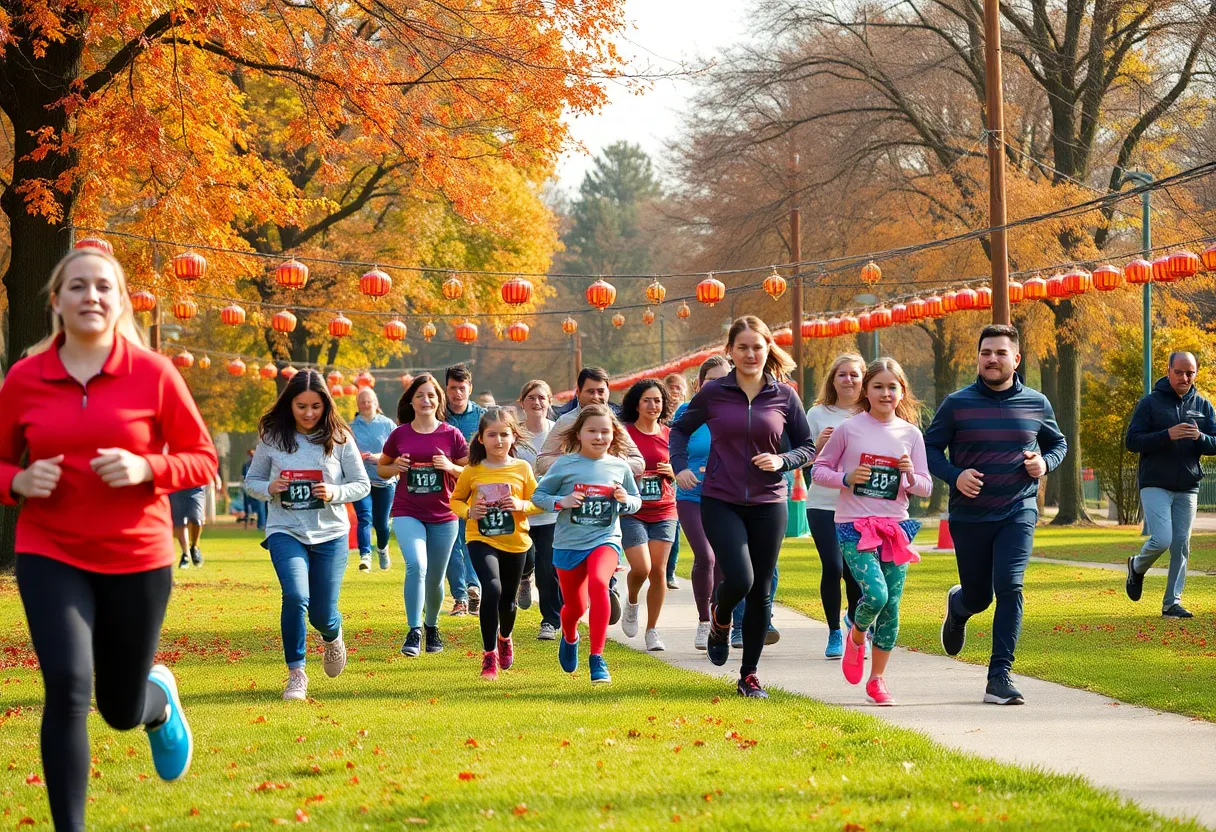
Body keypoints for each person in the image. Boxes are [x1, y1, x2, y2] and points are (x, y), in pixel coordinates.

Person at [0, 248, 216, 830]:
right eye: (77, 286)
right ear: (56, 301)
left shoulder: (153, 373)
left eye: (103, 287)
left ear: (120, 302)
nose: (90, 296)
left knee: (118, 710)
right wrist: (17, 479)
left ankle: (157, 703)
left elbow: (202, 460)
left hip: (137, 555)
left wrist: (149, 469)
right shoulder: (25, 377)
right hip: (51, 551)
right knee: (68, 686)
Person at [671, 316, 815, 699]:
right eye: (743, 347)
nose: (751, 354)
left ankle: (748, 675)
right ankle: (720, 619)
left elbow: (807, 446)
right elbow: (680, 429)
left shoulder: (785, 395)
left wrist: (781, 462)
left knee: (762, 591)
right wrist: (681, 466)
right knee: (741, 578)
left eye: (758, 346)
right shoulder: (715, 392)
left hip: (770, 502)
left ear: (769, 349)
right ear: (730, 351)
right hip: (720, 498)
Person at [926, 324, 1067, 706]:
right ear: (978, 357)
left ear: (1016, 359)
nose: (992, 359)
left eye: (1001, 353)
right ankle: (959, 607)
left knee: (1010, 586)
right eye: (986, 352)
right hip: (969, 516)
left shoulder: (1037, 402)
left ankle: (999, 676)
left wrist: (1045, 462)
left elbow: (1057, 442)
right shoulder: (957, 403)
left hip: (1018, 510)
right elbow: (930, 448)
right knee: (980, 596)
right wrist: (956, 476)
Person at [812, 358, 932, 705]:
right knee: (876, 595)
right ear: (866, 390)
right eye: (878, 386)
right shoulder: (850, 429)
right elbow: (820, 470)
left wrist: (910, 476)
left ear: (902, 392)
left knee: (892, 607)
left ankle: (877, 680)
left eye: (892, 386)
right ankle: (856, 634)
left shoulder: (910, 434)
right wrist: (846, 478)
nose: (885, 392)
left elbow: (924, 487)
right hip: (854, 526)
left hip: (895, 527)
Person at [245, 370, 370, 701]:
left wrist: (333, 492)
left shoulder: (340, 438)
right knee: (296, 597)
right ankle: (297, 674)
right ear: (290, 404)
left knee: (322, 614)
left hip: (330, 534)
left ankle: (333, 636)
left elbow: (362, 484)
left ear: (326, 405)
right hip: (285, 530)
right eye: (302, 406)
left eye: (316, 406)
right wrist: (269, 487)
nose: (309, 413)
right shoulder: (272, 438)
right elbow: (251, 480)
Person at [532, 404, 642, 685]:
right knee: (575, 608)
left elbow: (635, 500)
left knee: (598, 584)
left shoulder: (619, 465)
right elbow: (539, 495)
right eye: (592, 430)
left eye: (605, 431)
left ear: (614, 435)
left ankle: (597, 657)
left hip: (605, 539)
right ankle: (570, 637)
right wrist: (561, 502)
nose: (599, 437)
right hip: (568, 544)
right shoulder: (565, 464)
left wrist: (624, 500)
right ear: (579, 433)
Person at [536, 367, 645, 625]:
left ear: (608, 393)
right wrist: (572, 464)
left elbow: (638, 462)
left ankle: (608, 588)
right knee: (573, 584)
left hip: (607, 510)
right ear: (578, 393)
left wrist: (609, 465)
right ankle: (571, 612)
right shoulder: (566, 423)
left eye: (601, 391)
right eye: (590, 391)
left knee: (603, 558)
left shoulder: (613, 424)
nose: (596, 397)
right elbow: (541, 462)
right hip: (573, 512)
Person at [379, 374, 469, 656]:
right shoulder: (400, 434)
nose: (426, 400)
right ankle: (414, 630)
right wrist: (396, 467)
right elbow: (382, 469)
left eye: (431, 395)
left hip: (444, 514)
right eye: (420, 395)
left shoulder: (451, 435)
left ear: (439, 400)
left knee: (435, 577)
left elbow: (470, 473)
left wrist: (450, 467)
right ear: (411, 401)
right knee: (416, 565)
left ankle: (432, 627)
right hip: (408, 510)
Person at [451, 408, 542, 679]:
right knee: (491, 589)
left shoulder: (522, 468)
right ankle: (489, 655)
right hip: (481, 538)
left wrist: (521, 504)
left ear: (514, 437)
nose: (499, 440)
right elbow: (455, 500)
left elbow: (539, 502)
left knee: (508, 601)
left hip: (515, 541)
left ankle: (505, 637)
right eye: (492, 435)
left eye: (504, 434)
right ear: (481, 438)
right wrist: (469, 511)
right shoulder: (472, 470)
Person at [1124, 351, 1216, 618]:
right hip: (1155, 483)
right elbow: (1133, 441)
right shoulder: (1150, 404)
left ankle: (1171, 602)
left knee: (1181, 544)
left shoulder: (1203, 406)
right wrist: (1167, 435)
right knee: (1162, 538)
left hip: (1188, 485)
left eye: (1190, 373)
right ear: (1168, 371)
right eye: (1179, 372)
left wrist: (1200, 437)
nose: (1185, 378)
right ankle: (1137, 567)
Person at [806, 353, 866, 658]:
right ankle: (832, 632)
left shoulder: (870, 414)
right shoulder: (817, 414)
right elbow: (801, 458)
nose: (848, 380)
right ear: (833, 379)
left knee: (854, 572)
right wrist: (817, 447)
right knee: (832, 566)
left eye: (854, 375)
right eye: (842, 375)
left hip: (859, 505)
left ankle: (855, 629)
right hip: (822, 503)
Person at [674, 355, 732, 649]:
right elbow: (676, 442)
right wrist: (679, 469)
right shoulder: (688, 410)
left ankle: (718, 615)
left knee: (723, 559)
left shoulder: (736, 412)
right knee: (706, 557)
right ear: (700, 383)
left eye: (724, 379)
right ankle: (703, 622)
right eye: (712, 380)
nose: (718, 385)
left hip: (724, 495)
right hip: (691, 495)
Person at [619, 379, 678, 651]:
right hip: (633, 509)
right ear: (637, 403)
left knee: (658, 571)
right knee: (641, 568)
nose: (653, 406)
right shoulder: (625, 434)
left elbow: (682, 466)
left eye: (657, 400)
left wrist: (673, 473)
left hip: (665, 509)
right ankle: (631, 601)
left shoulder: (670, 434)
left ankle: (652, 630)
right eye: (647, 400)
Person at [515, 379, 563, 639]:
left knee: (548, 569)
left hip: (549, 512)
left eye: (541, 398)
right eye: (531, 397)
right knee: (526, 560)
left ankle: (550, 621)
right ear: (522, 402)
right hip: (520, 511)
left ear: (549, 401)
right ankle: (524, 577)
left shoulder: (558, 432)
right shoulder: (513, 435)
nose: (537, 402)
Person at [443, 364, 486, 615]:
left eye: (462, 388)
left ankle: (474, 588)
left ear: (470, 388)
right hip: (444, 489)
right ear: (446, 389)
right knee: (450, 543)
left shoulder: (482, 417)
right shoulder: (439, 416)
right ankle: (459, 597)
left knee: (471, 538)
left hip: (475, 488)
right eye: (452, 388)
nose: (457, 393)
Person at [351, 388, 398, 572]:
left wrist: (377, 457)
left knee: (382, 523)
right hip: (361, 480)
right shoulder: (352, 427)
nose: (365, 404)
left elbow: (397, 453)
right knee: (364, 517)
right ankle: (365, 555)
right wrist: (357, 457)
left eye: (368, 401)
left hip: (385, 480)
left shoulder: (387, 425)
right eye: (361, 401)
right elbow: (346, 453)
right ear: (357, 405)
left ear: (376, 403)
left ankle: (382, 549)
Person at [663, 373, 689, 590]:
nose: (675, 391)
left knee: (674, 526)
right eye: (671, 387)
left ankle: (670, 571)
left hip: (680, 476)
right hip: (657, 477)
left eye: (679, 387)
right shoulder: (658, 415)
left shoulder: (691, 414)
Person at [242, 448, 266, 530]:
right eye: (250, 454)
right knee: (249, 506)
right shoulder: (246, 465)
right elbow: (244, 477)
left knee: (261, 506)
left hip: (260, 487)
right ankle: (257, 523)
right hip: (249, 488)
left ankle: (262, 524)